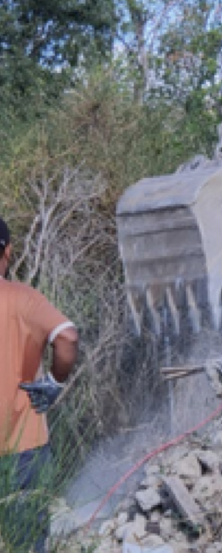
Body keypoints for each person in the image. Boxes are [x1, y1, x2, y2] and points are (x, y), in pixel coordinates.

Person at [0, 215, 79, 553]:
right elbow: (67, 337)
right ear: (8, 252)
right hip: (23, 448)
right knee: (28, 543)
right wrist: (53, 382)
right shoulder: (23, 298)